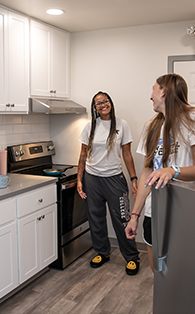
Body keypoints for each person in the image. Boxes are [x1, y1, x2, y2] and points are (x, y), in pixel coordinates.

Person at [125, 73, 195, 272]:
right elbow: (146, 175)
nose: (150, 96)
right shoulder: (152, 126)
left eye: (153, 89)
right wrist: (134, 216)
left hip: (186, 211)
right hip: (154, 211)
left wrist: (173, 170)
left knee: (184, 271)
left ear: (164, 92)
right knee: (158, 270)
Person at [77, 91, 140, 275]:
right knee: (96, 218)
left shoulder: (122, 125)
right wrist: (79, 179)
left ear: (110, 103)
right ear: (94, 108)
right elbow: (82, 154)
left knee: (122, 219)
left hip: (114, 179)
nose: (102, 104)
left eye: (105, 101)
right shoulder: (90, 127)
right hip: (92, 178)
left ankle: (131, 256)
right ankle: (102, 252)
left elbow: (127, 154)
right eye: (98, 103)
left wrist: (134, 178)